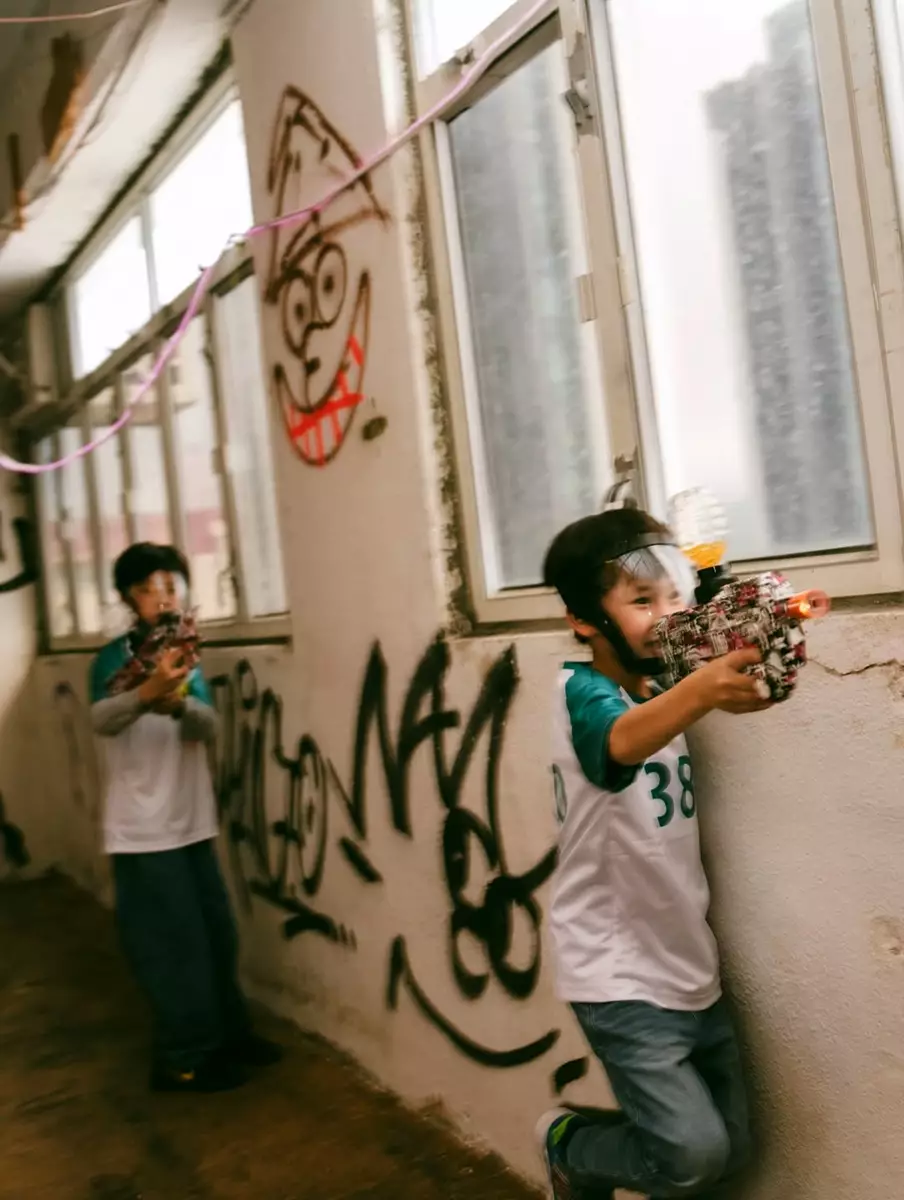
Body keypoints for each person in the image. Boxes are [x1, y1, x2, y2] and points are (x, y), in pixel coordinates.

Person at [536, 506, 770, 1199]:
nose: (666, 616)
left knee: (730, 1149)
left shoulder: (663, 687)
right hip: (617, 973)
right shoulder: (581, 693)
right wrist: (701, 687)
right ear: (583, 619)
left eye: (673, 597)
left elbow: (721, 676)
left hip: (687, 959)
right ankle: (571, 1145)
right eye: (641, 601)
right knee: (691, 1157)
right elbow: (619, 745)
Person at [90, 542, 280, 1092]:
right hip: (142, 828)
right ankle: (183, 1057)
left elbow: (207, 726)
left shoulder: (185, 653)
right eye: (148, 588)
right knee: (173, 946)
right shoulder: (112, 657)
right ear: (128, 596)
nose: (162, 597)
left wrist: (178, 704)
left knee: (216, 934)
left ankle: (229, 1034)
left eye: (171, 586)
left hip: (191, 818)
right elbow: (102, 719)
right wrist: (146, 693)